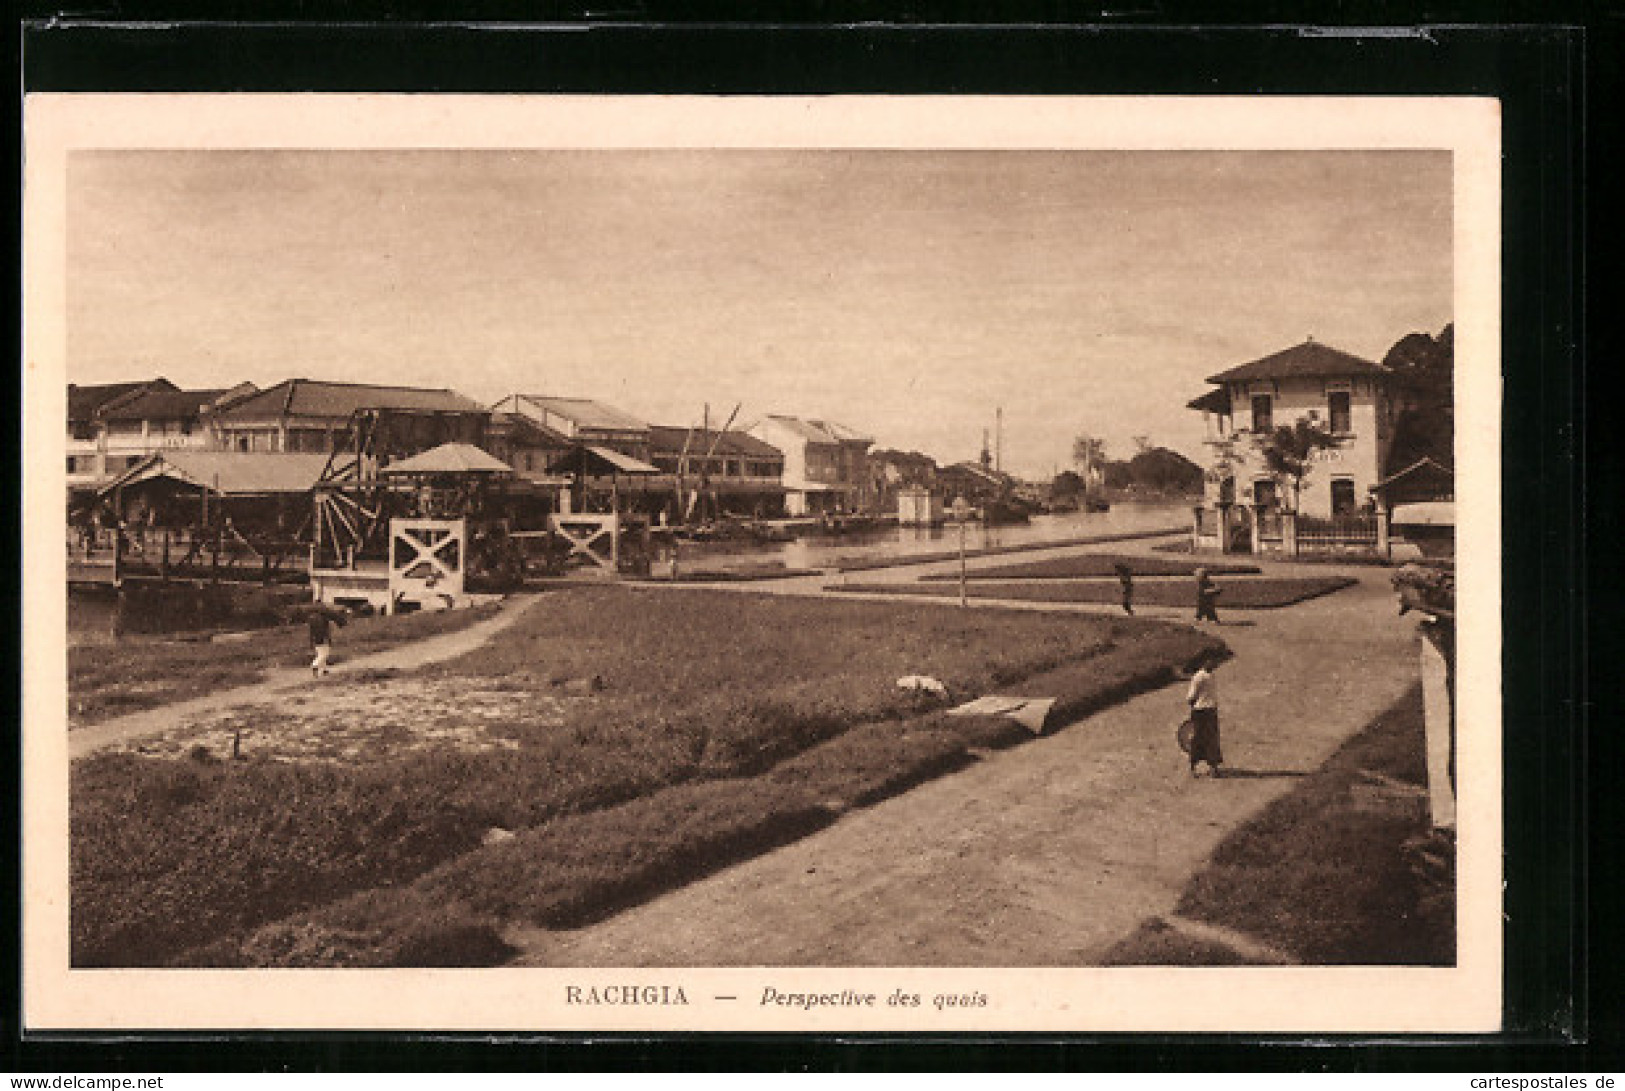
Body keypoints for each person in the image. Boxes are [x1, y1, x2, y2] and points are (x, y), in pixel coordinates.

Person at [1185, 651, 1224, 778]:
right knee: (1199, 739)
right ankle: (1193, 768)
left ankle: (1213, 768)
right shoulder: (1198, 677)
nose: (1214, 663)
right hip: (1201, 711)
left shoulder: (1211, 675)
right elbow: (1191, 696)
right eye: (1211, 661)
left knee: (1212, 739)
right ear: (1203, 662)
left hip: (1210, 709)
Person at [308, 605, 346, 678]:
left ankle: (324, 670)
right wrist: (328, 639)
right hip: (322, 639)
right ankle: (315, 665)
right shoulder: (323, 619)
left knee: (320, 653)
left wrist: (311, 642)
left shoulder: (312, 618)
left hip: (316, 639)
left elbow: (311, 632)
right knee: (324, 654)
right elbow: (326, 631)